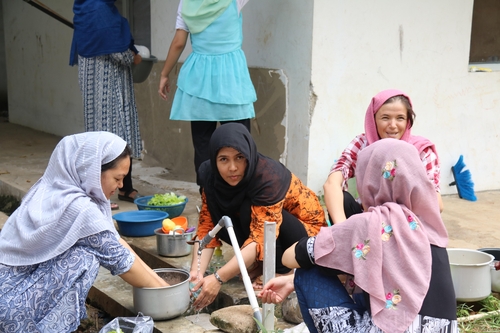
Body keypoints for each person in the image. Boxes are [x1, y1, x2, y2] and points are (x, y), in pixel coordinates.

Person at [259, 139, 458, 333]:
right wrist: (290, 282)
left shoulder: (369, 224)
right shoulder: (430, 227)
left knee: (307, 272)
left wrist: (342, 235)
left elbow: (291, 256)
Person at [0, 132, 169, 333]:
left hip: (10, 297)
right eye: (118, 178)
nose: (121, 186)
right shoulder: (79, 208)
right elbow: (123, 262)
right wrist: (168, 296)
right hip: (12, 312)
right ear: (93, 171)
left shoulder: (50, 190)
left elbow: (115, 241)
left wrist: (164, 284)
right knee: (85, 257)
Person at [189, 123, 327, 311]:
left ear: (249, 156)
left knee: (249, 210)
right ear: (214, 160)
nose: (232, 167)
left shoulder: (268, 177)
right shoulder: (209, 175)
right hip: (266, 232)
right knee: (220, 220)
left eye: (240, 157)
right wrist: (196, 273)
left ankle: (282, 269)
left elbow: (261, 237)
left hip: (305, 235)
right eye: (223, 159)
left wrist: (218, 278)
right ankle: (259, 263)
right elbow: (207, 227)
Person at [158, 0, 257, 186]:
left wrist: (164, 74)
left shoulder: (186, 3)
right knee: (240, 143)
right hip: (232, 81)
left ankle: (208, 199)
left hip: (200, 81)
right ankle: (240, 196)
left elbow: (179, 42)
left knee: (203, 144)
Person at [323, 89, 443, 224]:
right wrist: (342, 228)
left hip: (405, 223)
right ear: (373, 120)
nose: (393, 125)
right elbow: (331, 184)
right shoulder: (363, 145)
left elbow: (436, 204)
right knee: (343, 200)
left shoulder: (421, 151)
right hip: (366, 218)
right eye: (385, 118)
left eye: (400, 118)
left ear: (408, 121)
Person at [70, 0, 144, 209]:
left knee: (104, 134)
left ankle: (124, 187)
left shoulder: (85, 6)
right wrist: (135, 57)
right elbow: (118, 52)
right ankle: (101, 195)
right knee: (112, 136)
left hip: (94, 84)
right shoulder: (100, 9)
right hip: (109, 84)